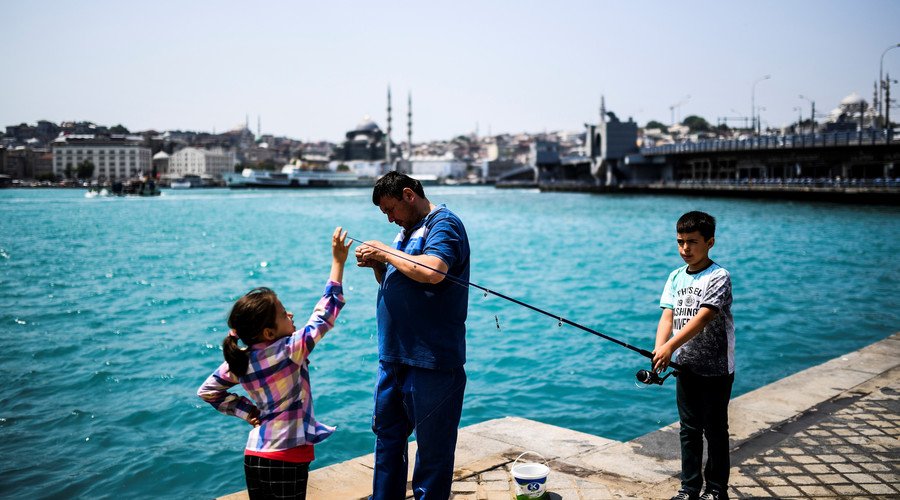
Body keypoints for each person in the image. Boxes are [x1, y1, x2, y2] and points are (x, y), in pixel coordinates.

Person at [197, 227, 351, 500]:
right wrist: (338, 261)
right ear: (269, 332)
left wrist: (249, 412)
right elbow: (326, 312)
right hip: (287, 455)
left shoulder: (240, 359)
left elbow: (208, 391)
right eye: (283, 313)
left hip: (255, 454)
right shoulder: (291, 350)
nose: (290, 313)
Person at [355, 171, 470, 499]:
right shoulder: (406, 231)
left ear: (409, 195)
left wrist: (384, 252)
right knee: (387, 441)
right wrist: (379, 265)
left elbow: (432, 271)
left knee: (433, 452)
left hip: (432, 362)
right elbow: (403, 281)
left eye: (391, 209)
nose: (390, 219)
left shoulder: (444, 224)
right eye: (384, 215)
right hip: (393, 357)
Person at [652, 211, 735, 500]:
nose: (685, 249)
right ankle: (689, 489)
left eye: (692, 242)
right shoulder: (675, 276)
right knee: (688, 430)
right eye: (680, 242)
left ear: (709, 242)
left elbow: (703, 318)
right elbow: (667, 316)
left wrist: (670, 346)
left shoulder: (719, 276)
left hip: (716, 368)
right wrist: (659, 350)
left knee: (715, 430)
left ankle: (716, 490)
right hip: (684, 366)